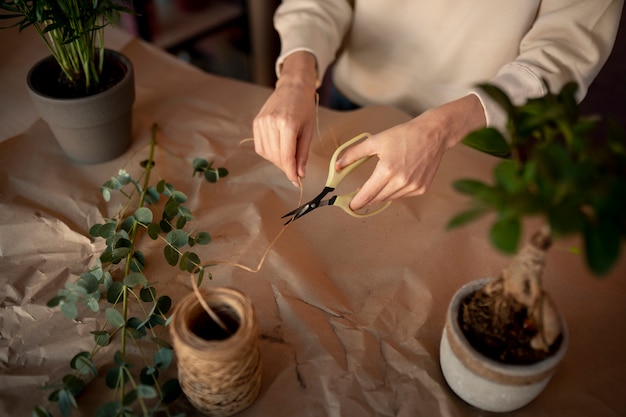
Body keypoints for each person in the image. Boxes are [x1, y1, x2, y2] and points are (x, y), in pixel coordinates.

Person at [253, 0, 623, 211]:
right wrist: (296, 77)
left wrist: (440, 128)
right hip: (357, 104)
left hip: (483, 129)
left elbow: (564, 53)